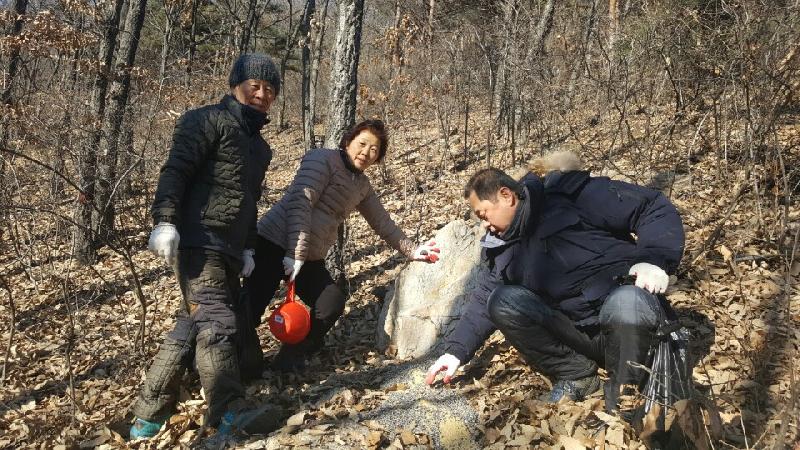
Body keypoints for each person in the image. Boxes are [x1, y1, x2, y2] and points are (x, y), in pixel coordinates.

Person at [425, 154, 684, 415]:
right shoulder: (501, 249)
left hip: (630, 323)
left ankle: (629, 389)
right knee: (502, 301)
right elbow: (482, 301)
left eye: (483, 214)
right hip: (582, 335)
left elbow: (651, 207)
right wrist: (455, 352)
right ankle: (578, 375)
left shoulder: (571, 196)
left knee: (625, 301)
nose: (485, 225)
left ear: (506, 196)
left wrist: (653, 260)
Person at [129, 53, 280, 441]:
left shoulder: (260, 148)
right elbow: (176, 171)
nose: (262, 94)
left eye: (270, 89)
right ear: (236, 85)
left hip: (230, 248)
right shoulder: (205, 119)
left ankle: (147, 416)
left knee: (190, 326)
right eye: (255, 85)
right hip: (198, 240)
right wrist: (165, 220)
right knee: (216, 322)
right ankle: (229, 411)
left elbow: (249, 200)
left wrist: (248, 248)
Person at [243, 119, 440, 372]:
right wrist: (294, 252)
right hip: (273, 242)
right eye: (362, 144)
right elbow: (300, 203)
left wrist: (412, 250)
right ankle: (235, 361)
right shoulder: (321, 160)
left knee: (331, 302)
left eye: (374, 149)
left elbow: (382, 222)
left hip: (307, 256)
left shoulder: (361, 186)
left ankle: (291, 356)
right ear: (348, 141)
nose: (366, 152)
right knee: (250, 308)